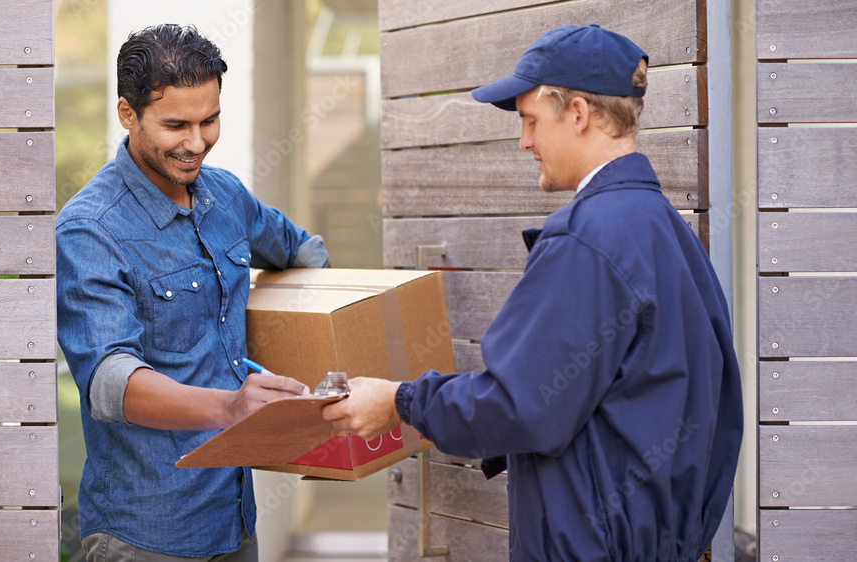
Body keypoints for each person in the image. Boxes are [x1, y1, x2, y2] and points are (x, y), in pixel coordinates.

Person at [323, 24, 743, 561]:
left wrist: (400, 401)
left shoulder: (587, 238)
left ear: (578, 114)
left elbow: (521, 404)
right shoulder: (666, 229)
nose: (524, 142)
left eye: (529, 121)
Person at [57, 24, 328, 561]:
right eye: (176, 124)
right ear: (128, 114)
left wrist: (311, 343)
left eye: (210, 120)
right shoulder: (89, 229)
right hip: (145, 533)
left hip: (233, 521)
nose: (197, 142)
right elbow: (110, 383)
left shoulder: (223, 194)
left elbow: (303, 252)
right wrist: (232, 407)